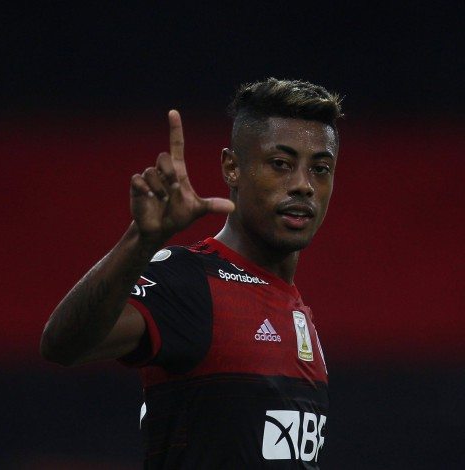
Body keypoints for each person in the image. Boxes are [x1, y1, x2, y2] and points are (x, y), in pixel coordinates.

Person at [40, 78, 342, 468]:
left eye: (320, 168)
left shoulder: (295, 308)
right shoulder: (192, 280)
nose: (303, 185)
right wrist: (141, 240)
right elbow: (62, 346)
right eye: (281, 164)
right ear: (232, 167)